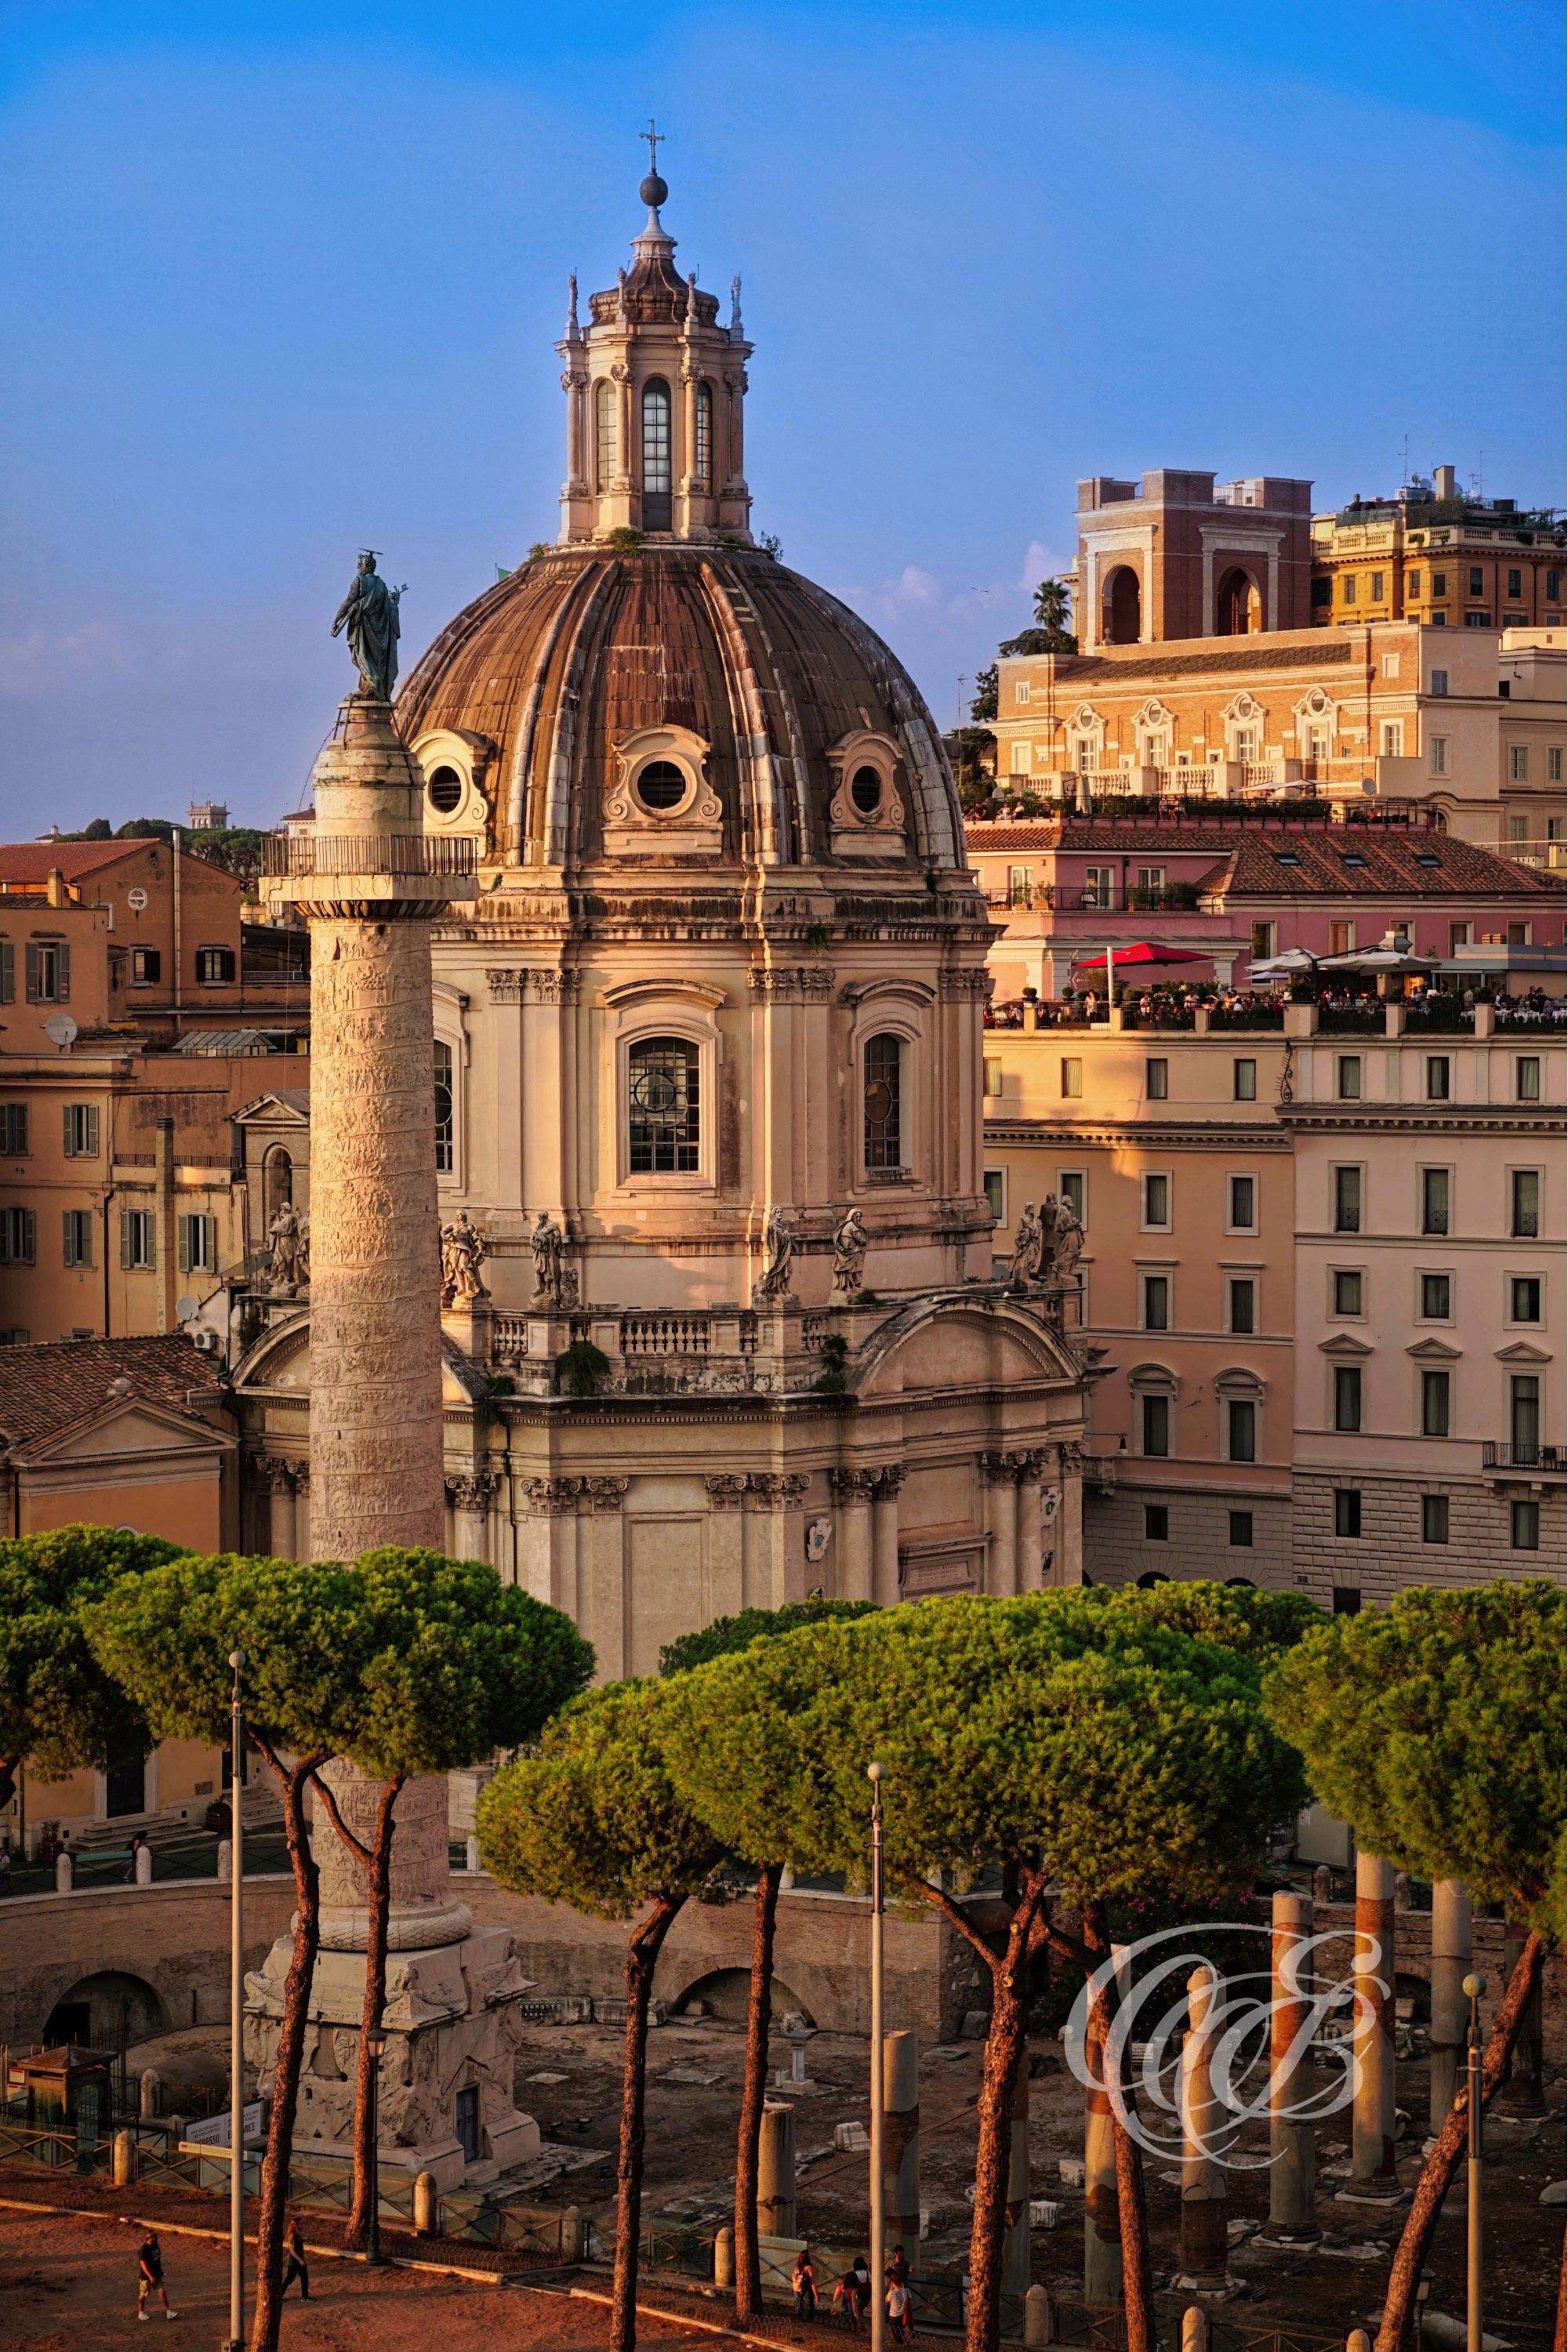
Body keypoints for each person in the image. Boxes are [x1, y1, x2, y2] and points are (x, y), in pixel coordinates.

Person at [136, 2229, 176, 2321]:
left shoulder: (155, 2246)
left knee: (162, 2292)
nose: (156, 2238)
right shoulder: (143, 2250)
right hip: (146, 2277)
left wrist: (160, 2271)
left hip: (157, 2274)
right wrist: (150, 2276)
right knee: (143, 2294)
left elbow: (157, 2260)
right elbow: (143, 2265)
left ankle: (168, 2312)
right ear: (149, 2238)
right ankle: (141, 2313)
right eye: (154, 2237)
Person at [281, 2212, 310, 2301]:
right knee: (289, 2280)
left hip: (297, 2262)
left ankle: (305, 2297)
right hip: (294, 2263)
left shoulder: (297, 2234)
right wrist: (300, 2260)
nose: (303, 2225)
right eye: (301, 2223)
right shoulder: (293, 2236)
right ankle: (278, 2296)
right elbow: (291, 2250)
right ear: (296, 2225)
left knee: (304, 2278)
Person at [885, 2272, 913, 2343]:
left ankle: (898, 2342)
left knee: (895, 2331)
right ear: (902, 2282)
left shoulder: (892, 2293)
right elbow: (910, 2299)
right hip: (902, 2315)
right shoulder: (906, 2291)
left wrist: (890, 2290)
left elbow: (886, 2301)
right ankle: (901, 2340)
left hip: (893, 2316)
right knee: (901, 2329)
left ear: (892, 2282)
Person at [793, 2247, 818, 2318]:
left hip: (797, 2290)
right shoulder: (809, 2268)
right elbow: (812, 2283)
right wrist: (816, 2295)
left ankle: (799, 2319)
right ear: (808, 2257)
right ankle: (809, 2321)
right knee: (809, 2308)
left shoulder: (796, 2267)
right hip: (807, 2290)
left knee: (799, 2306)